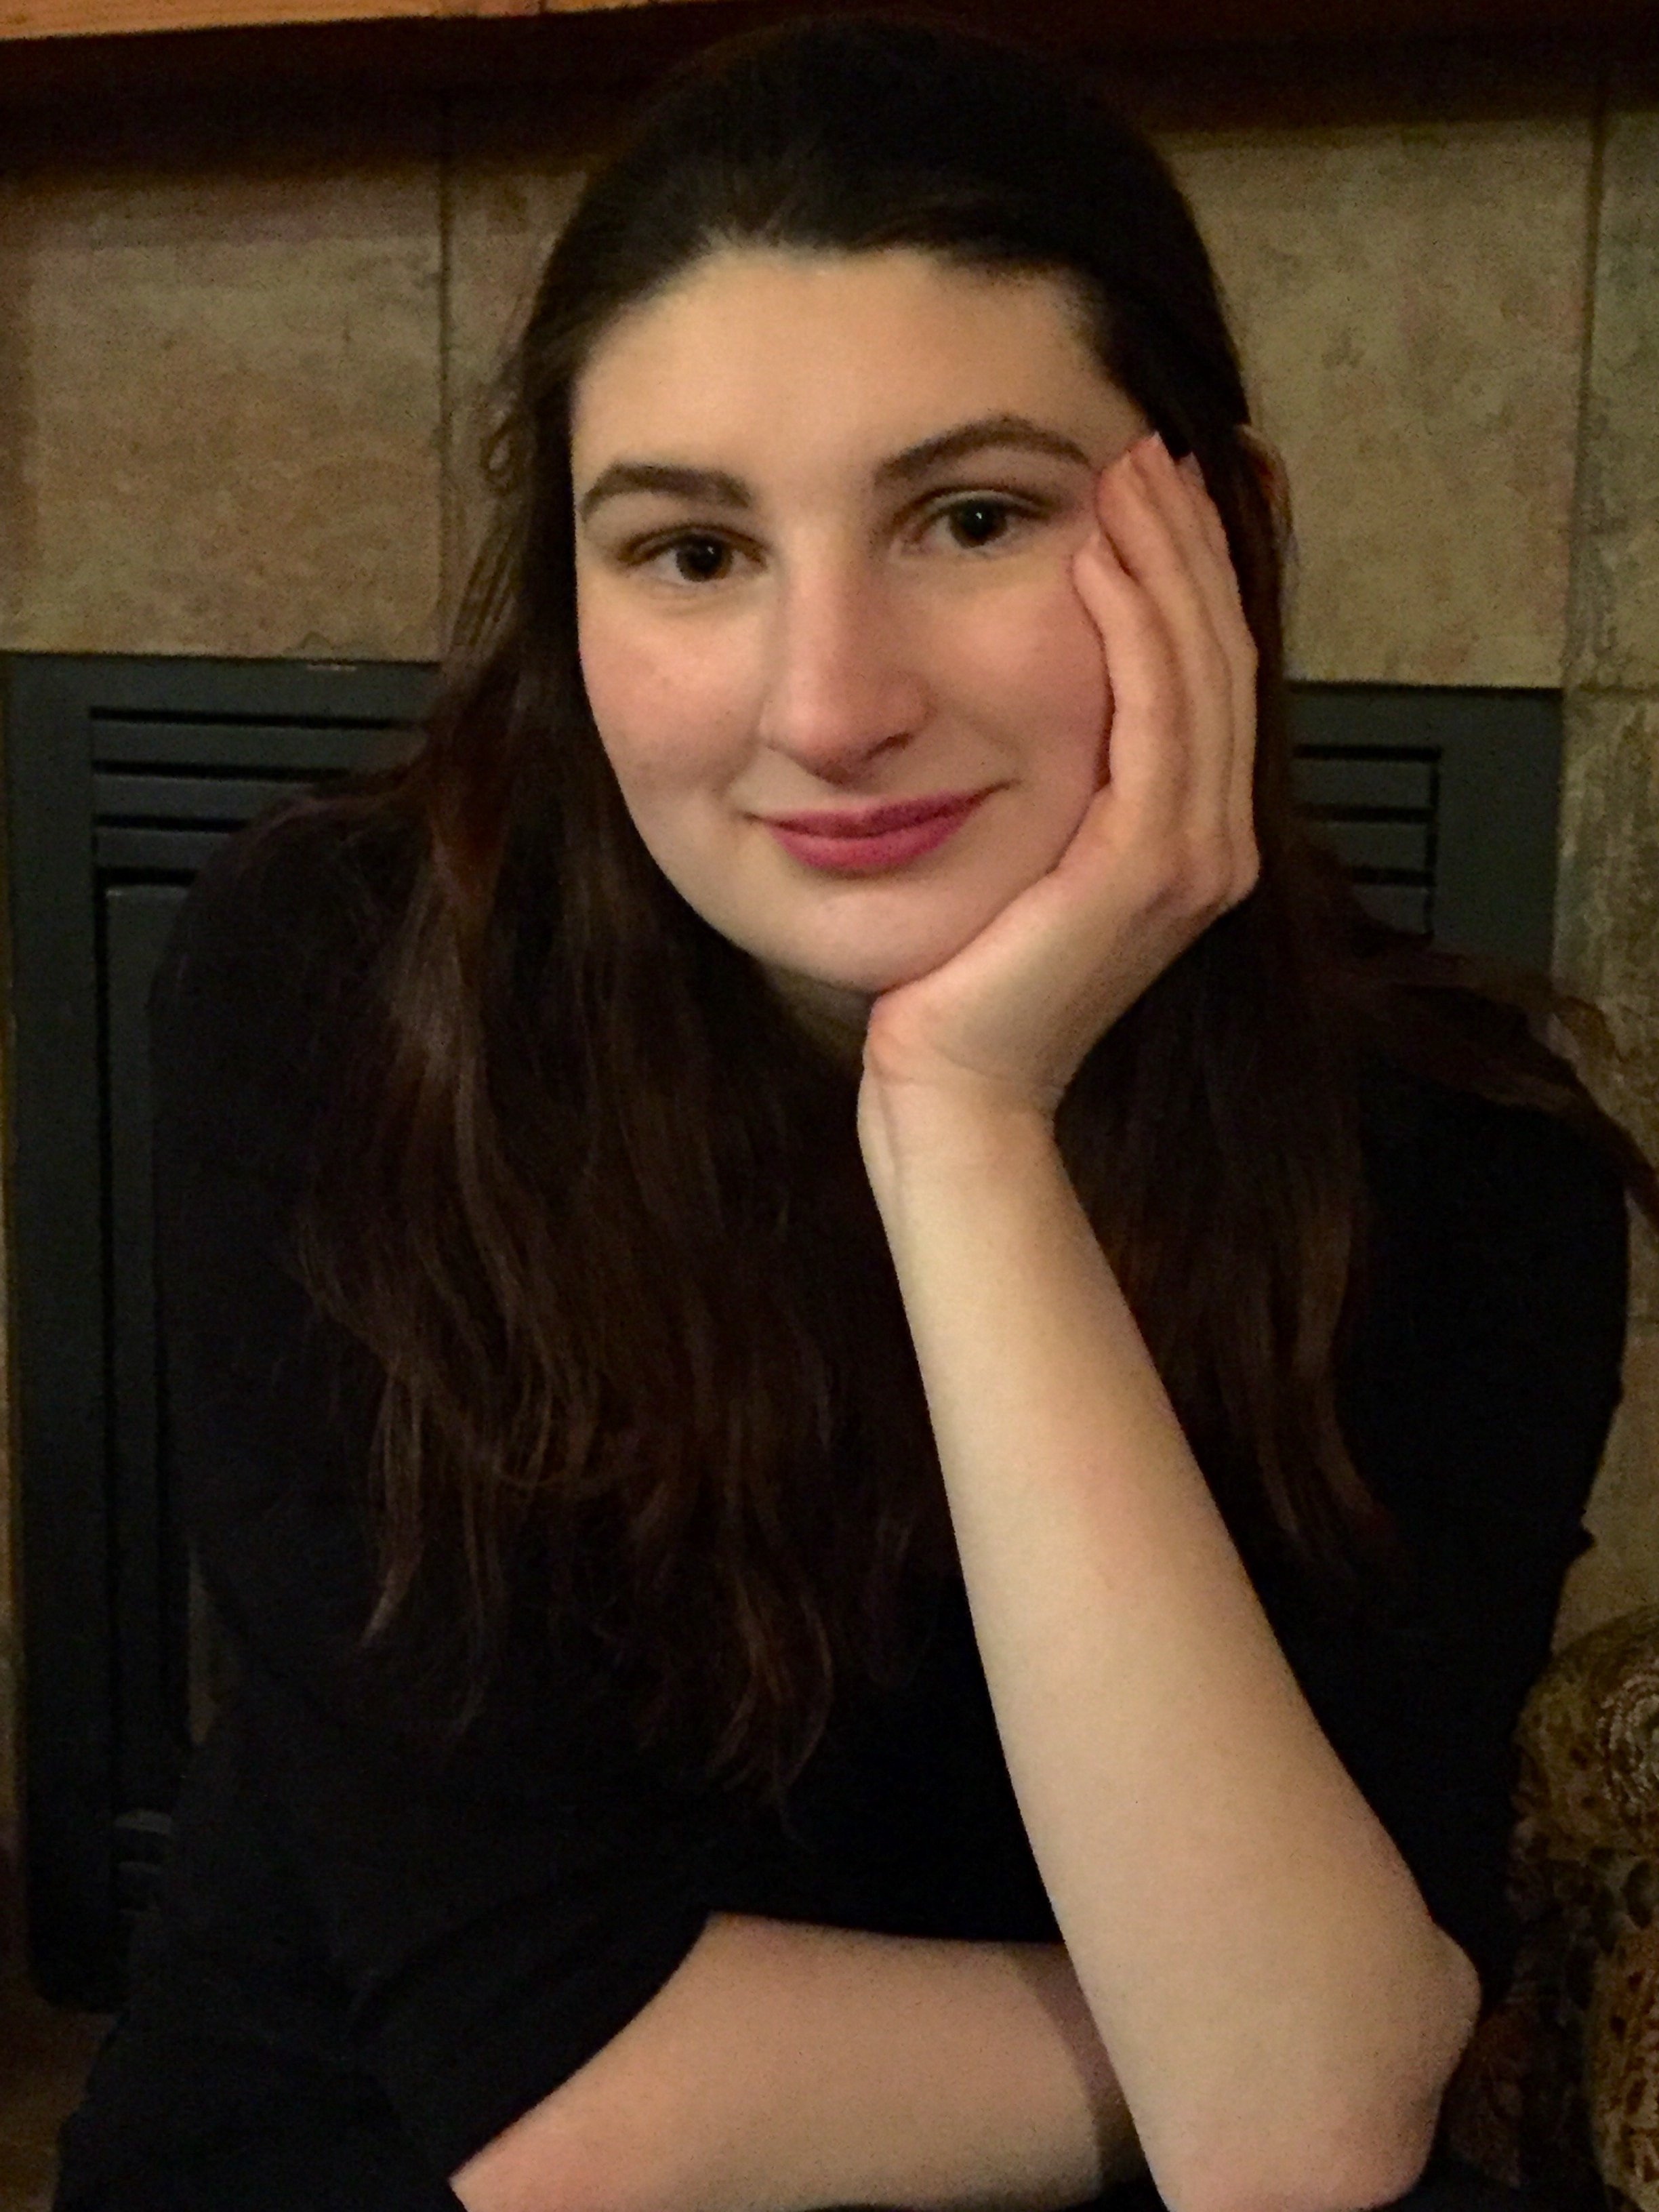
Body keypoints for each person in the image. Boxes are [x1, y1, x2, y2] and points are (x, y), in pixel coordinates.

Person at [54, 14, 1658, 2211]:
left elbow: (1299, 2135)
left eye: (972, 515)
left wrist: (967, 1127)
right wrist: (1252, 2014)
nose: (830, 709)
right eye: (694, 552)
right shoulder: (343, 996)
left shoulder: (1469, 1162)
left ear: (1235, 547)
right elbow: (569, 2113)